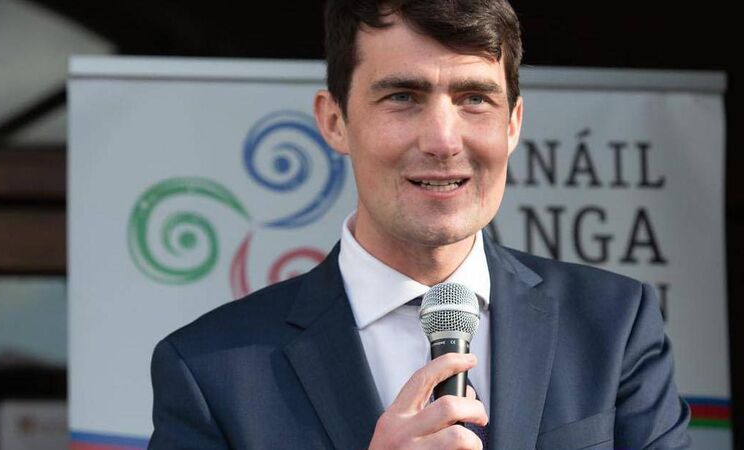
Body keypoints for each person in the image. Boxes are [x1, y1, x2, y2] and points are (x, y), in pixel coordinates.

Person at [148, 0, 691, 448]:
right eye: (403, 97)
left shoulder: (614, 326)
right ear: (334, 121)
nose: (443, 141)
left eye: (474, 98)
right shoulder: (210, 372)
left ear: (513, 124)